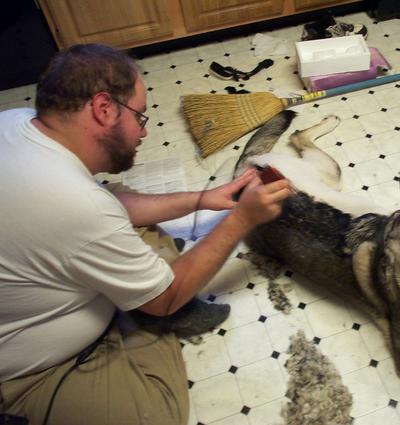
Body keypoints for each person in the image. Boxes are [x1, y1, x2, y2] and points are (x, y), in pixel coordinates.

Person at [0, 43, 292, 425]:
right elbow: (164, 300)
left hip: (49, 261)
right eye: (139, 116)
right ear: (104, 108)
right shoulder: (77, 206)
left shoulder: (17, 121)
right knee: (159, 412)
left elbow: (108, 204)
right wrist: (242, 219)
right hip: (26, 369)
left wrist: (203, 199)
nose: (144, 130)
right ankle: (132, 309)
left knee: (116, 203)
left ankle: (133, 284)